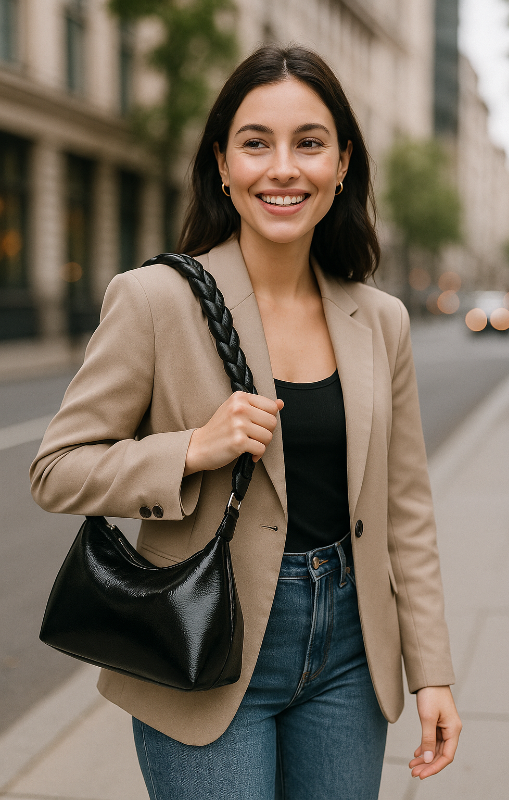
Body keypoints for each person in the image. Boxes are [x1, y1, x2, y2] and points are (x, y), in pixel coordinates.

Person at [31, 44, 461, 800]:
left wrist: (431, 673)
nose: (283, 168)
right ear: (223, 166)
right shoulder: (155, 300)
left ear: (342, 164)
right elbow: (56, 468)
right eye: (256, 143)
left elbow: (406, 510)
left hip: (351, 658)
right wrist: (192, 448)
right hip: (207, 645)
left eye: (309, 143)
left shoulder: (380, 319)